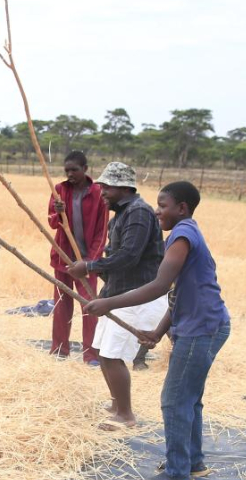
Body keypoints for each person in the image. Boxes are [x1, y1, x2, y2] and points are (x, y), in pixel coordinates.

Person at [85, 181, 229, 480]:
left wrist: (107, 302)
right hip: (205, 324)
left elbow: (159, 286)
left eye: (163, 206)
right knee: (189, 398)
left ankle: (177, 472)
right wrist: (159, 330)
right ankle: (193, 464)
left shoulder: (183, 234)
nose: (157, 211)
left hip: (202, 327)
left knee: (174, 400)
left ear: (182, 208)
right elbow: (176, 293)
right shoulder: (183, 234)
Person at [67, 161, 166, 429]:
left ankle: (126, 415)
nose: (103, 192)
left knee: (112, 355)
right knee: (102, 350)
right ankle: (116, 404)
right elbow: (116, 256)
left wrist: (89, 266)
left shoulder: (138, 213)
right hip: (119, 292)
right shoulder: (122, 214)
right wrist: (99, 273)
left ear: (124, 187)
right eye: (101, 186)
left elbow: (130, 256)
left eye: (107, 187)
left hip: (135, 295)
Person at [48, 151, 108, 365]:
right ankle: (59, 351)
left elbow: (102, 231)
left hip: (86, 263)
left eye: (74, 170)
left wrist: (90, 262)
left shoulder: (99, 193)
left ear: (85, 169)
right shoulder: (59, 191)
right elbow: (52, 223)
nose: (70, 174)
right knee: (61, 305)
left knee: (89, 306)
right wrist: (58, 213)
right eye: (67, 171)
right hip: (63, 258)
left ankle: (91, 355)